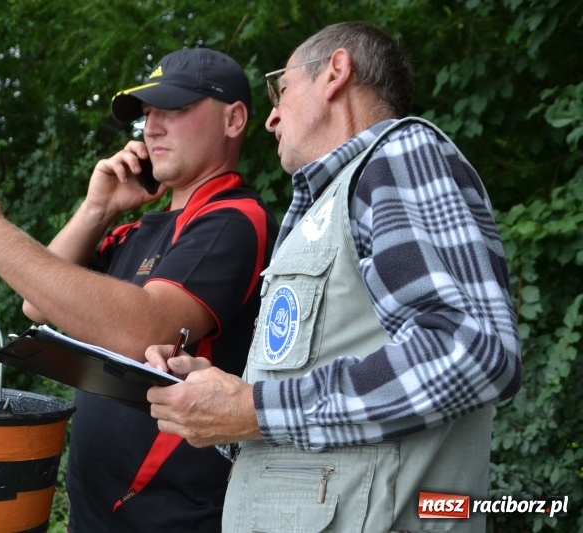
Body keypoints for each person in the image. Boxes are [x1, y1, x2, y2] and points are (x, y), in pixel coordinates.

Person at [146, 22, 522, 532]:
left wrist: (256, 409)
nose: (270, 117)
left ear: (335, 73)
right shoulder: (336, 200)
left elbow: (470, 349)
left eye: (281, 90)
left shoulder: (397, 155)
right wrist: (224, 401)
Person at [0, 47, 278, 532]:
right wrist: (98, 208)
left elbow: (145, 329)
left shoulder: (234, 219)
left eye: (174, 110)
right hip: (96, 509)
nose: (152, 127)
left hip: (171, 517)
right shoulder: (136, 231)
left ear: (233, 119)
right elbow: (38, 301)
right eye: (149, 113)